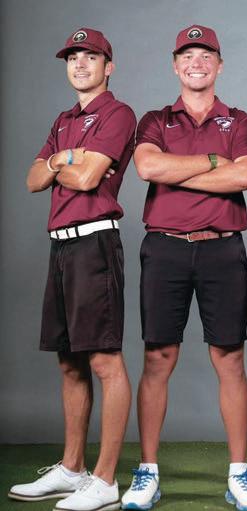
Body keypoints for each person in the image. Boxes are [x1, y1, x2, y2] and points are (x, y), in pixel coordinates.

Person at [121, 24, 247, 511]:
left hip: (223, 249)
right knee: (158, 358)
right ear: (175, 65)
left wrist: (178, 169)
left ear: (219, 65)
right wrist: (213, 161)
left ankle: (239, 474)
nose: (196, 63)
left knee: (230, 358)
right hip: (165, 249)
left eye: (206, 55)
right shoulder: (155, 119)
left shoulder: (239, 120)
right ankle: (147, 472)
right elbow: (148, 168)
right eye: (187, 55)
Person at [8, 28, 137, 511]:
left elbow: (85, 179)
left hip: (94, 243)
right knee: (68, 361)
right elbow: (32, 179)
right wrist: (67, 156)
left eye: (91, 57)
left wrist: (59, 166)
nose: (80, 64)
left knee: (104, 360)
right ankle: (72, 468)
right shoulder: (64, 120)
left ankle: (104, 480)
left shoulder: (118, 114)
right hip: (60, 246)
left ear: (109, 66)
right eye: (73, 58)